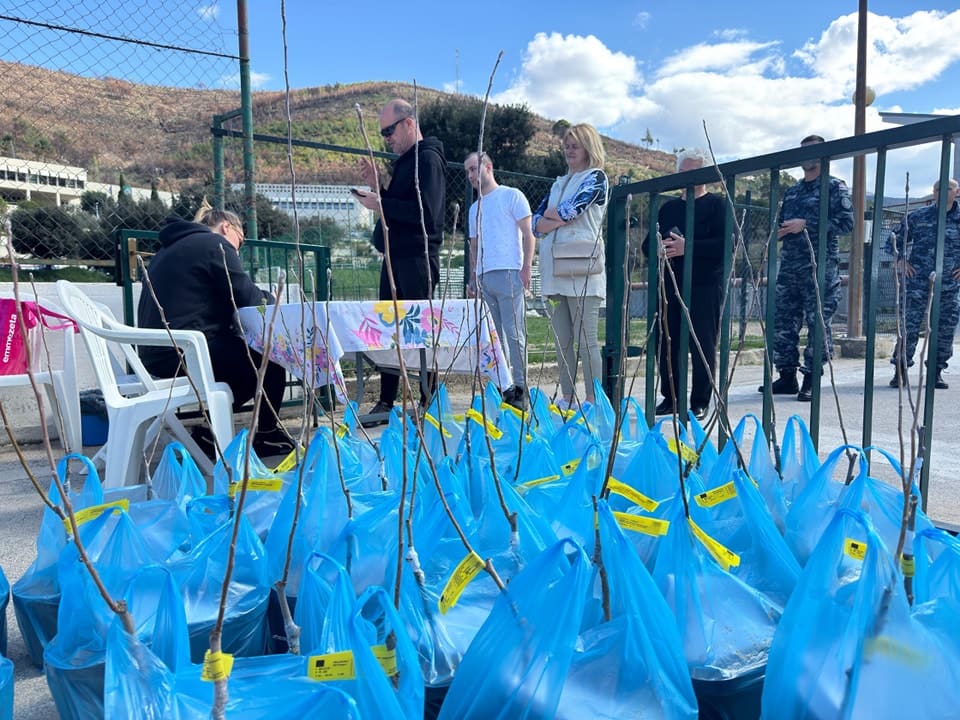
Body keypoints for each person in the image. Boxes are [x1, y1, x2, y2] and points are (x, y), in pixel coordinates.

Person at [137, 203, 294, 458]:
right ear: (226, 227)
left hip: (155, 354)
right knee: (271, 357)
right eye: (240, 241)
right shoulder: (214, 245)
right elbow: (248, 298)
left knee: (243, 364)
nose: (238, 250)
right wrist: (272, 299)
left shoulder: (169, 249)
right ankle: (266, 435)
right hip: (184, 353)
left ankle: (209, 434)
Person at [354, 98, 447, 424]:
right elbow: (399, 208)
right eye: (383, 133)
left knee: (419, 332)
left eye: (388, 131)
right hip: (396, 257)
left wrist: (380, 203)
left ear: (409, 123)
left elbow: (426, 215)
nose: (386, 139)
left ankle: (429, 400)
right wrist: (378, 187)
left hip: (416, 258)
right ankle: (387, 399)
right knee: (389, 330)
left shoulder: (427, 160)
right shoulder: (408, 162)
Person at [762, 134, 854, 402]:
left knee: (818, 323)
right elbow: (782, 221)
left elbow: (847, 224)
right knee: (783, 321)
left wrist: (808, 225)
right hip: (790, 264)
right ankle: (786, 376)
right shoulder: (792, 191)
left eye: (812, 150)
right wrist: (779, 231)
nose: (806, 156)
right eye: (803, 151)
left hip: (819, 266)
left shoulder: (835, 187)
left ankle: (811, 379)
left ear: (824, 155)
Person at [641, 148, 726, 421]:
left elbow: (726, 245)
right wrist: (659, 248)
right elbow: (647, 244)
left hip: (704, 285)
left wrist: (689, 247)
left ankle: (700, 401)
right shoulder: (668, 208)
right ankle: (671, 397)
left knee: (702, 343)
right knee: (667, 342)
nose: (687, 178)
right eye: (683, 172)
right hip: (669, 284)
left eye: (694, 172)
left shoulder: (717, 205)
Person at [531, 123, 608, 408]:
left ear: (589, 148)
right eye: (567, 146)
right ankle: (567, 397)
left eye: (575, 146)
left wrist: (553, 218)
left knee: (587, 340)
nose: (569, 150)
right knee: (562, 341)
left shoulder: (596, 178)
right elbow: (535, 224)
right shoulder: (558, 183)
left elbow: (571, 210)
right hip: (554, 271)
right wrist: (556, 218)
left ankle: (593, 400)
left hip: (582, 270)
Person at [465, 151, 535, 410]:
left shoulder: (511, 195)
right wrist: (473, 277)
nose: (471, 175)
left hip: (509, 272)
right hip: (485, 276)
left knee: (514, 333)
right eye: (467, 171)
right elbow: (474, 246)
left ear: (488, 167)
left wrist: (526, 267)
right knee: (493, 336)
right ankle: (503, 385)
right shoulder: (474, 209)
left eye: (474, 169)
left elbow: (528, 234)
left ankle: (521, 386)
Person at [886, 178, 960, 389]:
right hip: (917, 282)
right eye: (937, 189)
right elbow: (892, 240)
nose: (942, 192)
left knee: (944, 329)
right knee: (908, 326)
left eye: (948, 188)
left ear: (957, 192)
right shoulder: (918, 216)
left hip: (949, 284)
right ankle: (900, 370)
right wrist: (900, 260)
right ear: (933, 192)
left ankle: (936, 372)